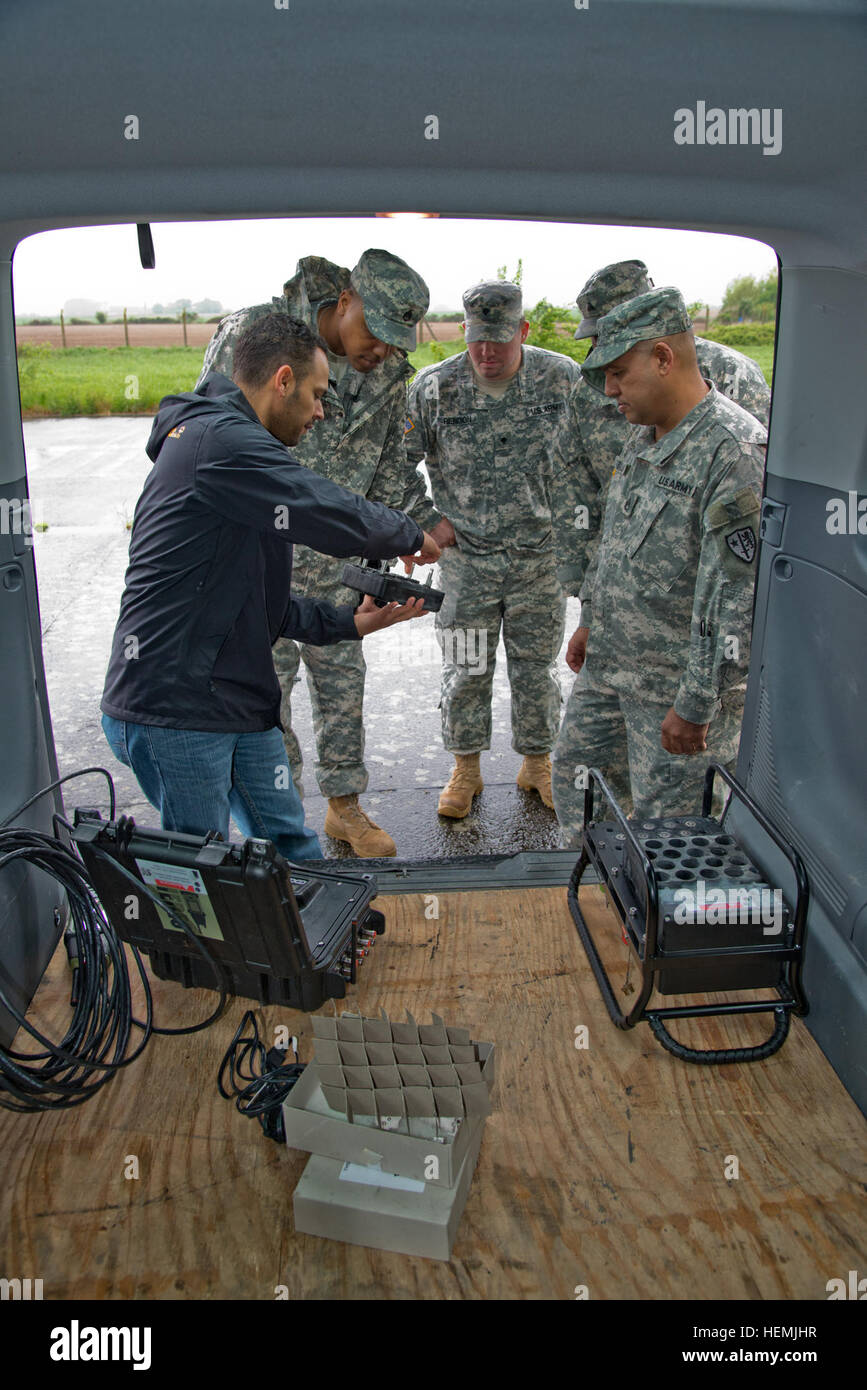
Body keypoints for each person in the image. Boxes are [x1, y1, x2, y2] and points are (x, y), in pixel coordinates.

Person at [102, 314, 439, 862]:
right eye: (315, 395)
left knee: (291, 843)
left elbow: (264, 606)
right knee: (201, 868)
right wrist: (409, 532)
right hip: (176, 708)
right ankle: (203, 951)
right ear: (283, 381)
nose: (322, 411)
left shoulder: (238, 456)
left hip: (238, 704)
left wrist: (350, 622)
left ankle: (316, 938)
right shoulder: (220, 440)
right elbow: (320, 505)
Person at [198, 249, 441, 857]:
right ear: (346, 301)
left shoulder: (388, 373)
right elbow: (206, 433)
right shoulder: (259, 335)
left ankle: (344, 809)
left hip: (339, 562)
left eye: (396, 339)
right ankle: (277, 828)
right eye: (376, 332)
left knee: (342, 683)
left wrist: (411, 525)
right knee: (264, 700)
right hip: (260, 558)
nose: (383, 349)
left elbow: (391, 461)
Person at [550, 288, 766, 844]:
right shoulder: (644, 433)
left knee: (671, 832)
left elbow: (733, 599)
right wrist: (592, 617)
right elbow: (617, 536)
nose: (609, 388)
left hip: (672, 693)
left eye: (619, 371)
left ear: (664, 358)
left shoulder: (732, 452)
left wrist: (696, 704)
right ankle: (603, 896)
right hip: (611, 665)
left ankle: (655, 924)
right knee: (581, 785)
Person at [406, 281, 581, 818]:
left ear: (523, 332)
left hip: (539, 560)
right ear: (465, 331)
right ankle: (467, 770)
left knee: (537, 669)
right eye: (478, 339)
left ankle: (536, 763)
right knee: (465, 669)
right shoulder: (434, 389)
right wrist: (424, 521)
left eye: (499, 341)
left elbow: (593, 459)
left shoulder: (562, 379)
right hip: (466, 565)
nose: (486, 352)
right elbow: (394, 462)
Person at [554, 259, 770, 599]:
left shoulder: (732, 375)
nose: (610, 386)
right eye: (598, 336)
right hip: (620, 590)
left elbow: (754, 497)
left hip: (691, 594)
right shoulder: (588, 390)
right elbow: (577, 483)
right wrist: (583, 586)